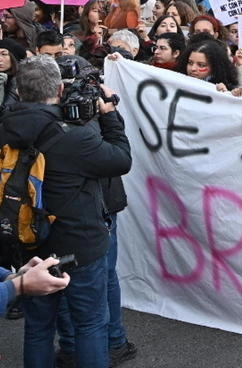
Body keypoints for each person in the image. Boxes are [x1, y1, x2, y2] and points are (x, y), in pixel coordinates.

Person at [0, 55, 132, 368]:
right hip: (80, 244)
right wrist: (109, 115)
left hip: (27, 242)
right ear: (60, 89)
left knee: (38, 327)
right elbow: (120, 160)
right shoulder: (74, 135)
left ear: (18, 90)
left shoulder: (5, 128)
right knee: (90, 324)